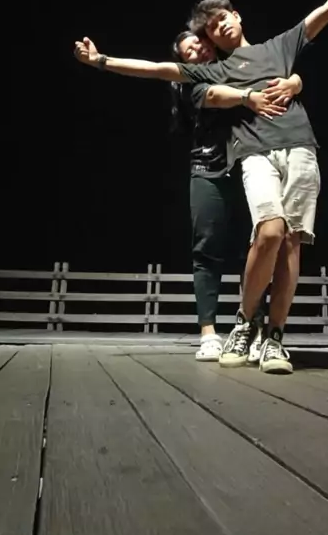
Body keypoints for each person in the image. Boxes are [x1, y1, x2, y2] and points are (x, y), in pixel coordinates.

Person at [75, 0, 328, 375]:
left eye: (223, 17)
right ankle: (245, 322)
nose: (220, 26)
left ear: (238, 16)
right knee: (269, 231)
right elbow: (157, 69)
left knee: (291, 243)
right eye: (211, 27)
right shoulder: (213, 71)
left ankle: (275, 338)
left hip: (301, 147)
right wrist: (101, 61)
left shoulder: (278, 47)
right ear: (210, 40)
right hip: (256, 153)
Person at [74, 29, 303, 361]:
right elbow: (157, 71)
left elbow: (281, 75)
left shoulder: (236, 65)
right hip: (208, 169)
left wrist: (295, 81)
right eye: (189, 51)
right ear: (184, 61)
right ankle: (208, 333)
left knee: (259, 246)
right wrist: (101, 61)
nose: (198, 50)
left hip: (250, 164)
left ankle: (254, 328)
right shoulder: (190, 83)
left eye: (199, 43)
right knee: (207, 249)